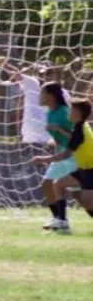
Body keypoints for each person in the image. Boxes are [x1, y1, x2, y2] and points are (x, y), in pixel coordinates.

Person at [32, 99, 93, 234]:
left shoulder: (80, 130)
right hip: (84, 169)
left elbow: (66, 154)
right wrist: (59, 130)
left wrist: (44, 158)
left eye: (71, 110)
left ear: (78, 113)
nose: (68, 113)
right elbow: (73, 140)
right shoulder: (80, 127)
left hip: (91, 171)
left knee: (85, 200)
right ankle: (62, 222)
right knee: (59, 184)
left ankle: (62, 222)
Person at [32, 82, 76, 231]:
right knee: (47, 184)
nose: (39, 97)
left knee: (81, 191)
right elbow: (61, 137)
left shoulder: (65, 112)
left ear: (50, 96)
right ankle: (59, 220)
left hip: (76, 155)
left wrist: (58, 129)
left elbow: (78, 137)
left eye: (42, 93)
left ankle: (61, 221)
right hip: (62, 154)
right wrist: (55, 139)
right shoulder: (49, 113)